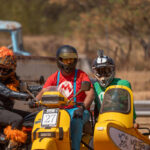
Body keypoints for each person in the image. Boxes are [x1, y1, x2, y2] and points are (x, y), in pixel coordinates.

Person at [36, 45, 94, 150]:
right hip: (57, 112)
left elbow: (90, 93)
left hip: (77, 111)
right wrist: (35, 101)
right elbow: (43, 92)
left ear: (75, 60)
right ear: (59, 61)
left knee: (75, 121)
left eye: (71, 60)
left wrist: (82, 108)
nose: (69, 63)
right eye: (65, 60)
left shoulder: (81, 75)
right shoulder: (54, 77)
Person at [92, 50, 137, 126]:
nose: (103, 75)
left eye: (106, 71)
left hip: (122, 120)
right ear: (95, 72)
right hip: (102, 122)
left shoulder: (123, 84)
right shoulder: (94, 86)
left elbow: (128, 106)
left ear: (113, 70)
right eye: (100, 71)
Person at [0, 46, 30, 147]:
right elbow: (8, 92)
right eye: (0, 68)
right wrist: (26, 96)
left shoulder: (12, 79)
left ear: (12, 69)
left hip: (6, 110)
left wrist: (43, 89)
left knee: (32, 116)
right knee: (17, 119)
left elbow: (24, 88)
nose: (1, 71)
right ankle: (11, 146)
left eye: (5, 69)